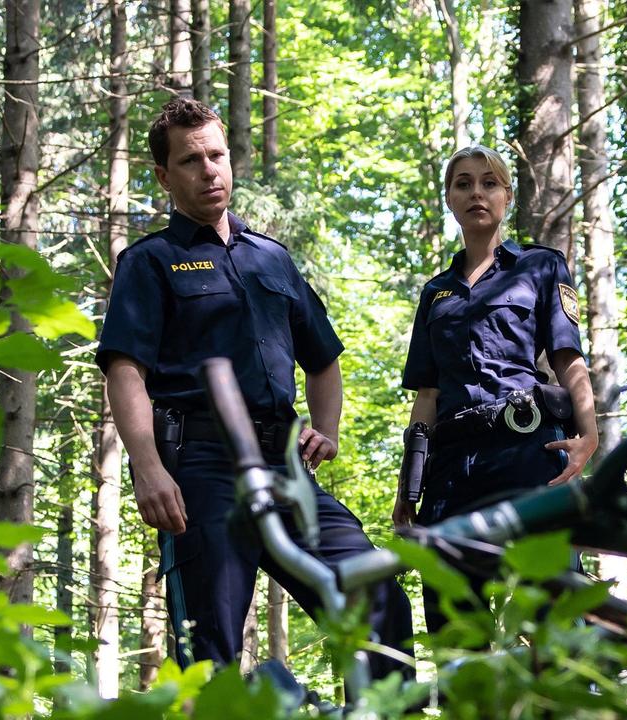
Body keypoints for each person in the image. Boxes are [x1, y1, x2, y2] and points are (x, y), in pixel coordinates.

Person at [96, 98, 412, 678]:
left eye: (217, 154)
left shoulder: (272, 258)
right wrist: (147, 468)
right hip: (201, 467)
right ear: (165, 177)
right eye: (191, 161)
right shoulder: (150, 262)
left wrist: (329, 430)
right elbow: (125, 371)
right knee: (210, 645)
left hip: (285, 462)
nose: (209, 170)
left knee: (376, 593)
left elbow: (323, 359)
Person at [393, 145, 599, 631]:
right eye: (463, 184)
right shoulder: (435, 292)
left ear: (507, 196)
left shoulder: (542, 267)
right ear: (449, 198)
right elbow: (427, 395)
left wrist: (588, 437)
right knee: (454, 621)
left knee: (552, 613)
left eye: (489, 183)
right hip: (450, 470)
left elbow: (569, 360)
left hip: (526, 451)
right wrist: (409, 485)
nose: (476, 193)